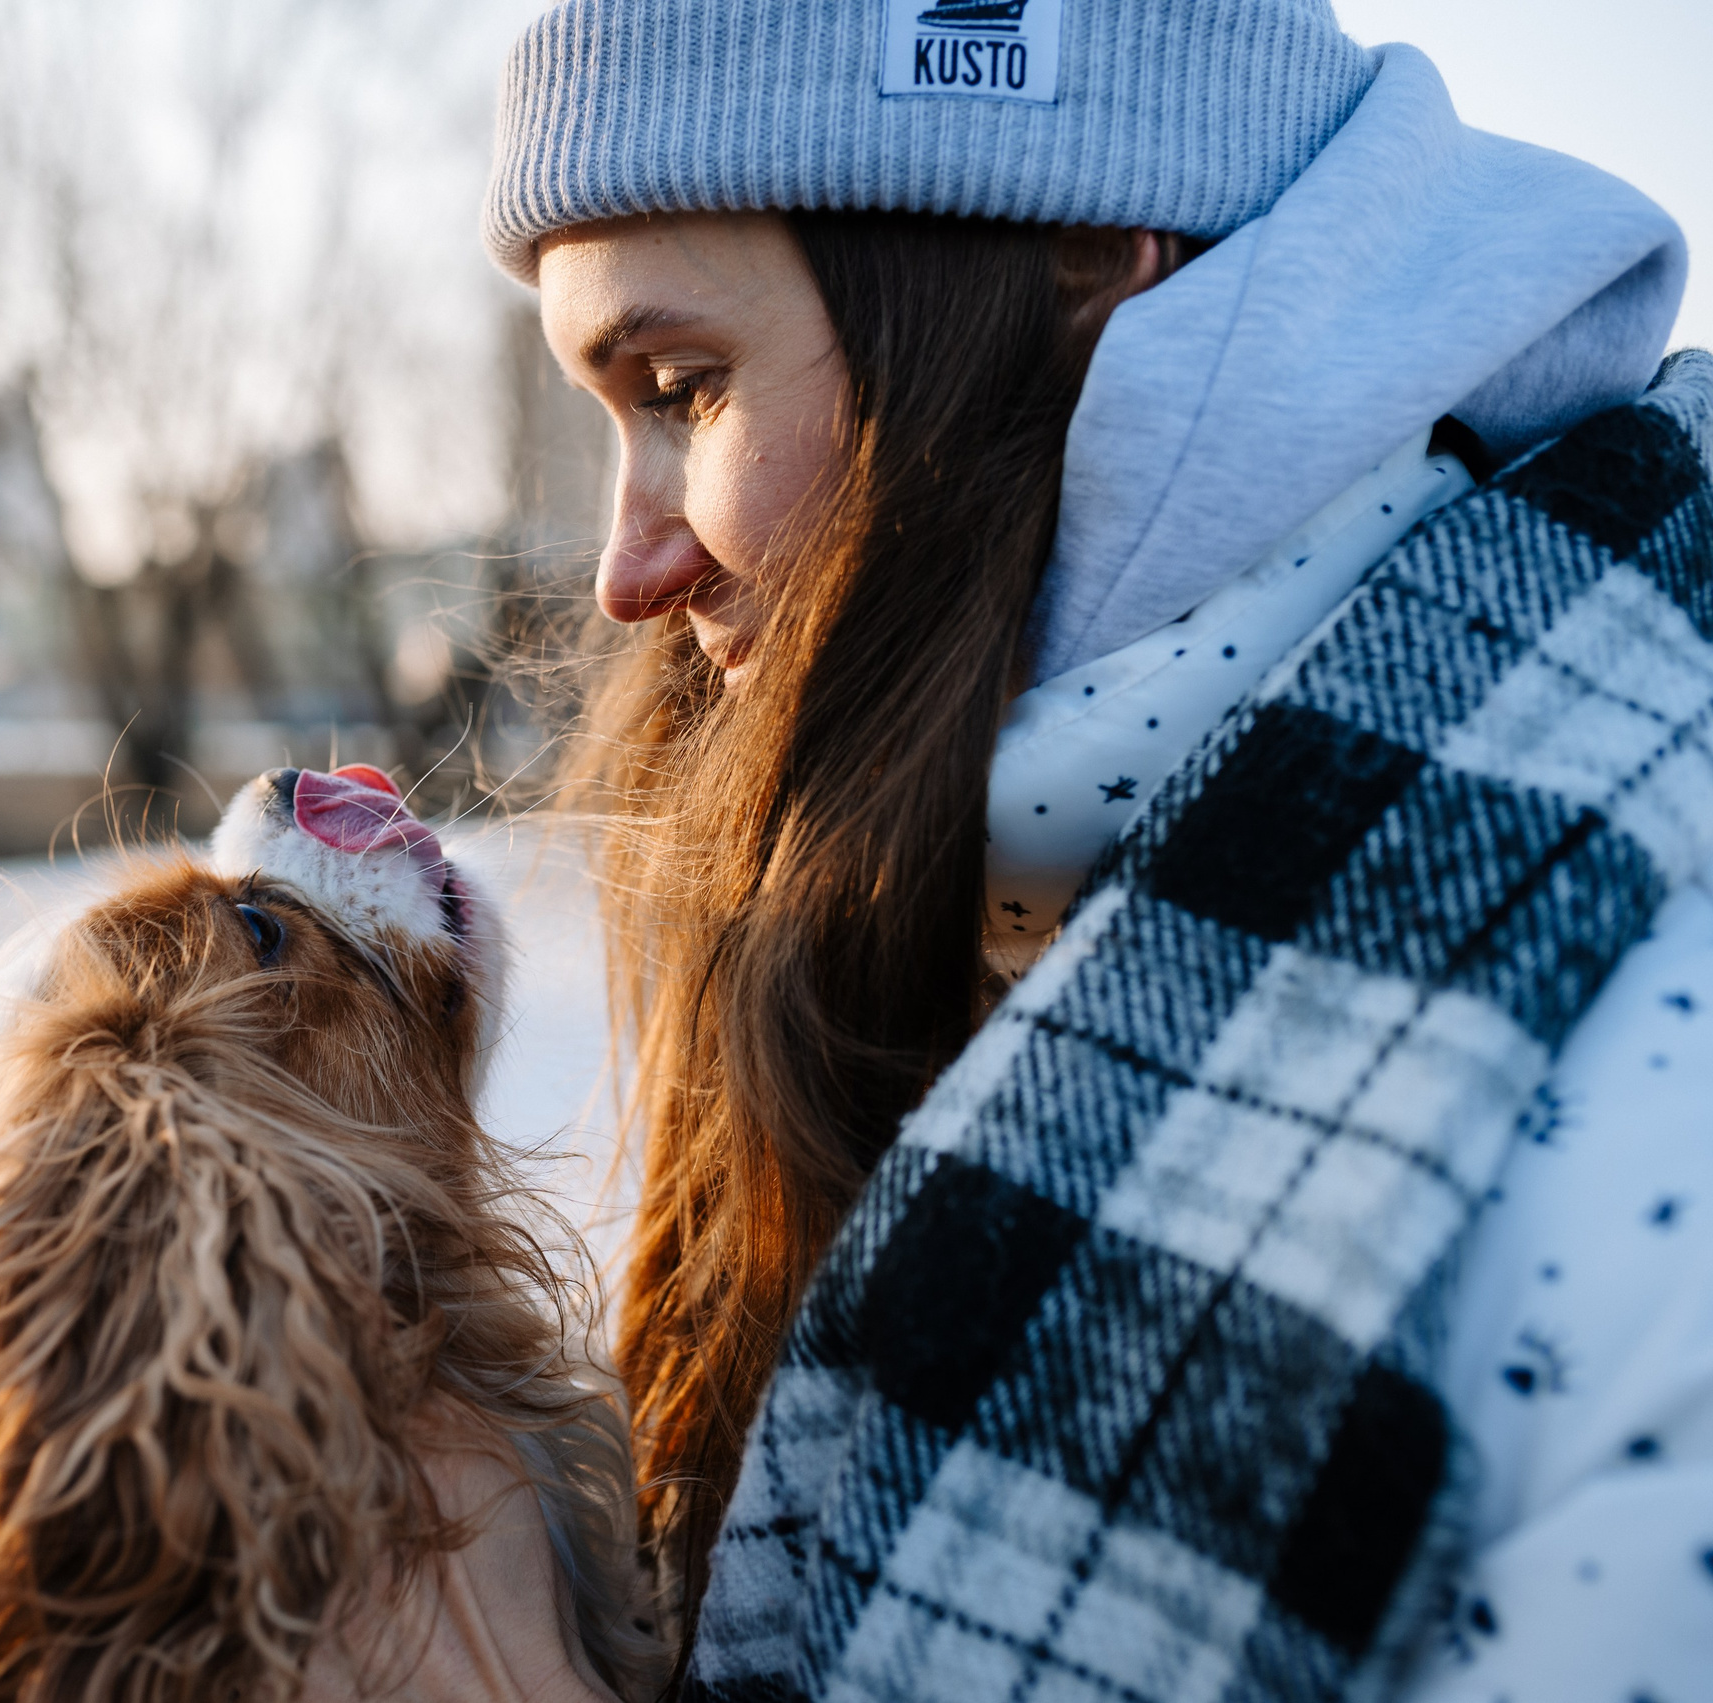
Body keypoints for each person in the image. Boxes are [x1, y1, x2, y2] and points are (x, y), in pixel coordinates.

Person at [459, 1, 1712, 1699]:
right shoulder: (1017, 886)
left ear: (1084, 267)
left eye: (683, 386)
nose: (626, 569)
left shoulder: (1648, 1089)